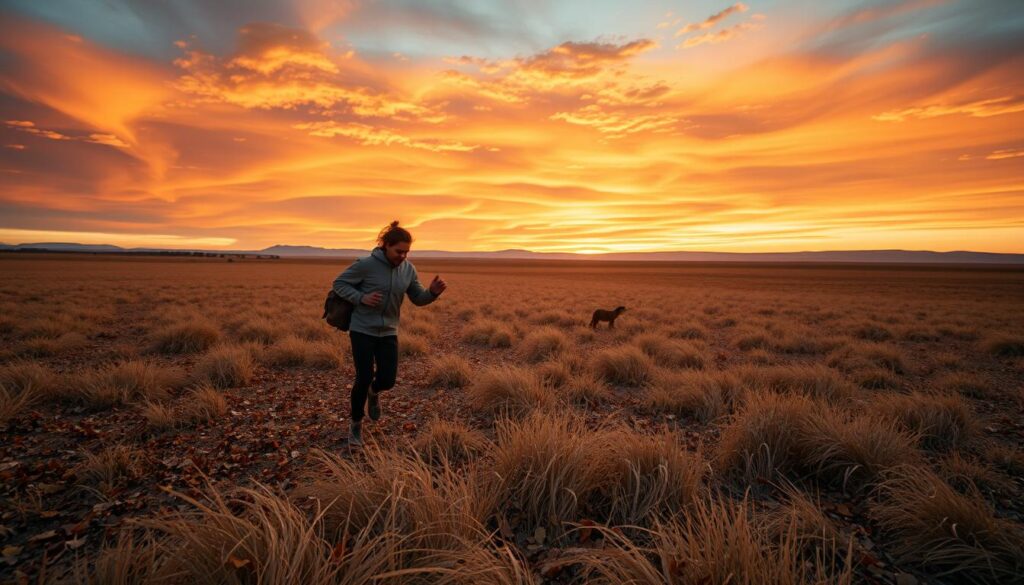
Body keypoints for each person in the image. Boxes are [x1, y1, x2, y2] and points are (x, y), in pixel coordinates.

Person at [331, 221, 447, 446]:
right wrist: (360, 298)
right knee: (363, 377)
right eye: (398, 251)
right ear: (386, 246)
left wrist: (432, 293)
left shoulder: (408, 269)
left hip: (388, 331)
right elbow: (339, 283)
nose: (403, 256)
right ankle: (356, 424)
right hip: (362, 329)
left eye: (406, 252)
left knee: (388, 379)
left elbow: (418, 298)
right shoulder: (366, 265)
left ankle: (375, 393)